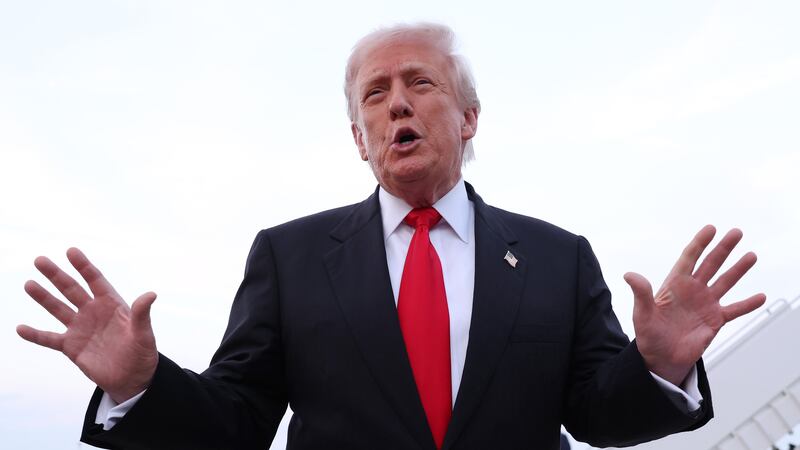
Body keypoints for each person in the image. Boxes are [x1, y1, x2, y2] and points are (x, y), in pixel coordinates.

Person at [17, 23, 766, 450]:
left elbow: (601, 416)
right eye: (376, 95)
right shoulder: (290, 257)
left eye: (420, 84)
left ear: (469, 118)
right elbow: (237, 422)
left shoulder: (555, 257)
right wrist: (140, 385)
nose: (397, 105)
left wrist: (660, 367)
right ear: (358, 138)